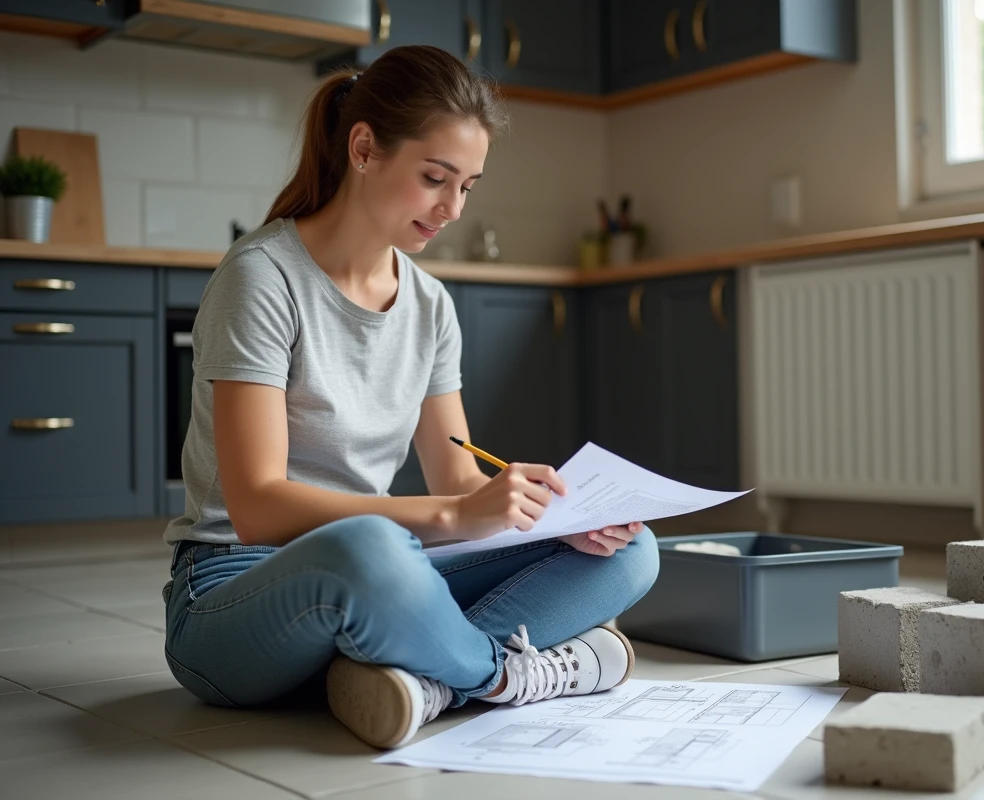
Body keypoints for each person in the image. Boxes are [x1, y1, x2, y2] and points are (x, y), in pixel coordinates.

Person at [161, 45, 660, 749]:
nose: (452, 208)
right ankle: (498, 675)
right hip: (230, 594)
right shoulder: (262, 278)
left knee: (629, 553)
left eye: (468, 187)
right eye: (435, 178)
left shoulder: (429, 305)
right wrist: (457, 512)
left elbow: (457, 477)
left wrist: (538, 515)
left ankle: (413, 680)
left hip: (382, 574)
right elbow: (256, 507)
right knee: (373, 549)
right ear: (363, 149)